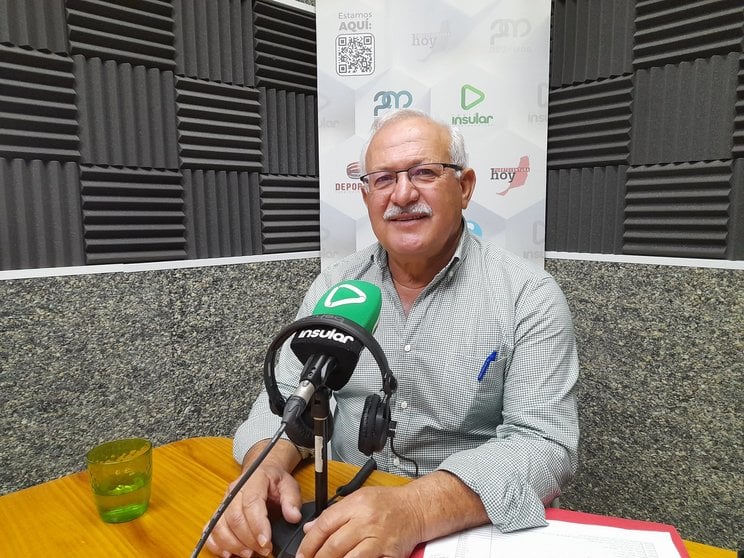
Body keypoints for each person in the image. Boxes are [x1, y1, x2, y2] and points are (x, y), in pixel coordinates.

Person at [207, 108, 580, 558]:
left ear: (464, 187)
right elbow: (289, 397)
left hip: (457, 529)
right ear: (366, 195)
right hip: (339, 513)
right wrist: (263, 466)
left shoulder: (528, 295)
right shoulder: (335, 286)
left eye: (424, 172)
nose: (402, 194)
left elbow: (544, 443)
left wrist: (416, 509)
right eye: (383, 179)